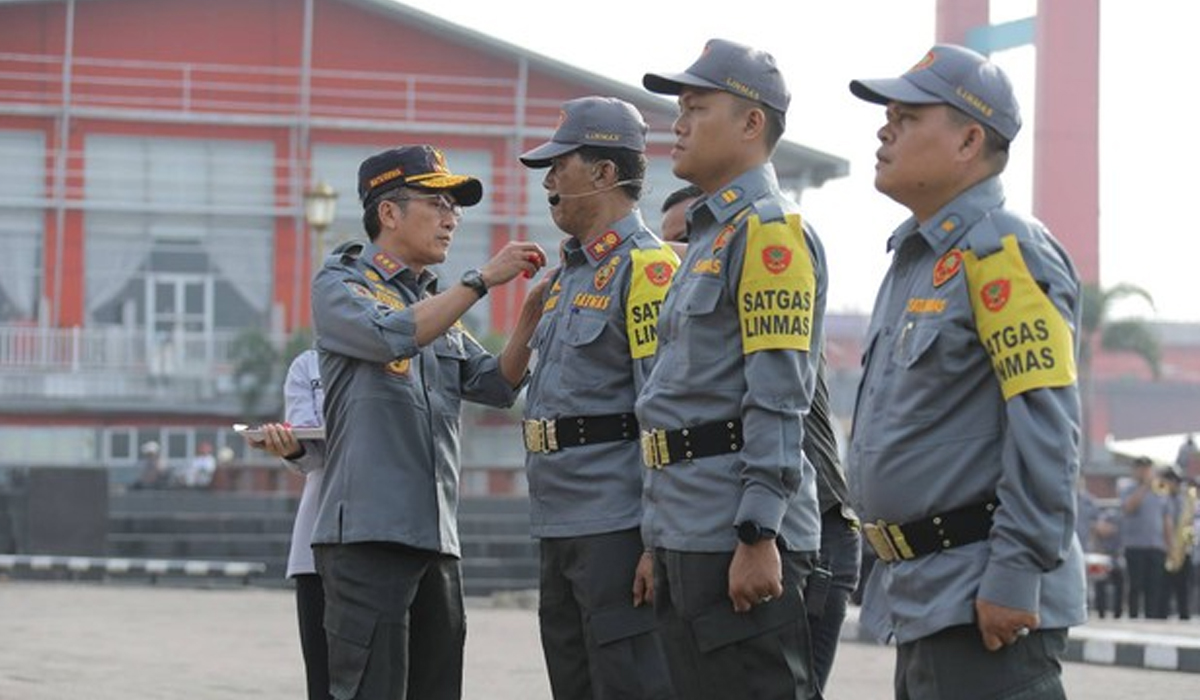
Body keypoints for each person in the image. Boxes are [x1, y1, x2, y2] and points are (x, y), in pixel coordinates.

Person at [846, 44, 1086, 698]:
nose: (883, 129)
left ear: (968, 140)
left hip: (982, 597)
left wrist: (1015, 574)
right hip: (925, 595)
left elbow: (1046, 429)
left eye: (906, 116)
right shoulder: (917, 259)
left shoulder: (1004, 251)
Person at [310, 144, 548, 700]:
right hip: (368, 537)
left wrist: (534, 311)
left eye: (455, 208)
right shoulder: (341, 285)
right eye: (436, 203)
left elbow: (496, 383)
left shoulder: (433, 306)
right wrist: (483, 279)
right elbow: (392, 334)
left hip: (435, 539)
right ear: (388, 212)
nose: (450, 218)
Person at [637, 38, 826, 699]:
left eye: (696, 107)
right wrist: (656, 538)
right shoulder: (708, 234)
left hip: (735, 531)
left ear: (752, 123)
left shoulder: (768, 231)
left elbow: (778, 392)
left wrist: (758, 530)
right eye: (677, 109)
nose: (678, 123)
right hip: (687, 524)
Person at [518, 95, 677, 700]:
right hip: (558, 522)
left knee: (628, 685)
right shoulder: (565, 279)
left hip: (616, 527)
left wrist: (655, 541)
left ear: (606, 174)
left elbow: (661, 411)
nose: (550, 181)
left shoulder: (647, 271)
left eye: (562, 165)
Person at [244, 348, 330, 700]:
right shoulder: (308, 365)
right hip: (319, 536)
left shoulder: (400, 354)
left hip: (391, 532)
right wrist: (290, 448)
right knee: (323, 680)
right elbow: (311, 456)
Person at [1120, 456, 1171, 619]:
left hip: (1156, 545)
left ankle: (1152, 618)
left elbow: (1166, 519)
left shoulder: (1161, 491)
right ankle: (1133, 616)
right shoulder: (1128, 489)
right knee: (1135, 585)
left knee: (1154, 585)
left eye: (1147, 468)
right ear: (1135, 471)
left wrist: (1170, 545)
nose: (1144, 472)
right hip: (1135, 545)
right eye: (1141, 468)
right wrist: (1144, 486)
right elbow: (1128, 508)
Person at [1161, 465, 1194, 620]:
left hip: (1182, 549)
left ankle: (1184, 616)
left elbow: (1189, 524)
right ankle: (1162, 615)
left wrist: (1186, 543)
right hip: (1165, 548)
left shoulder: (1185, 500)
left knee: (1183, 588)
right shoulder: (1163, 498)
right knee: (1164, 588)